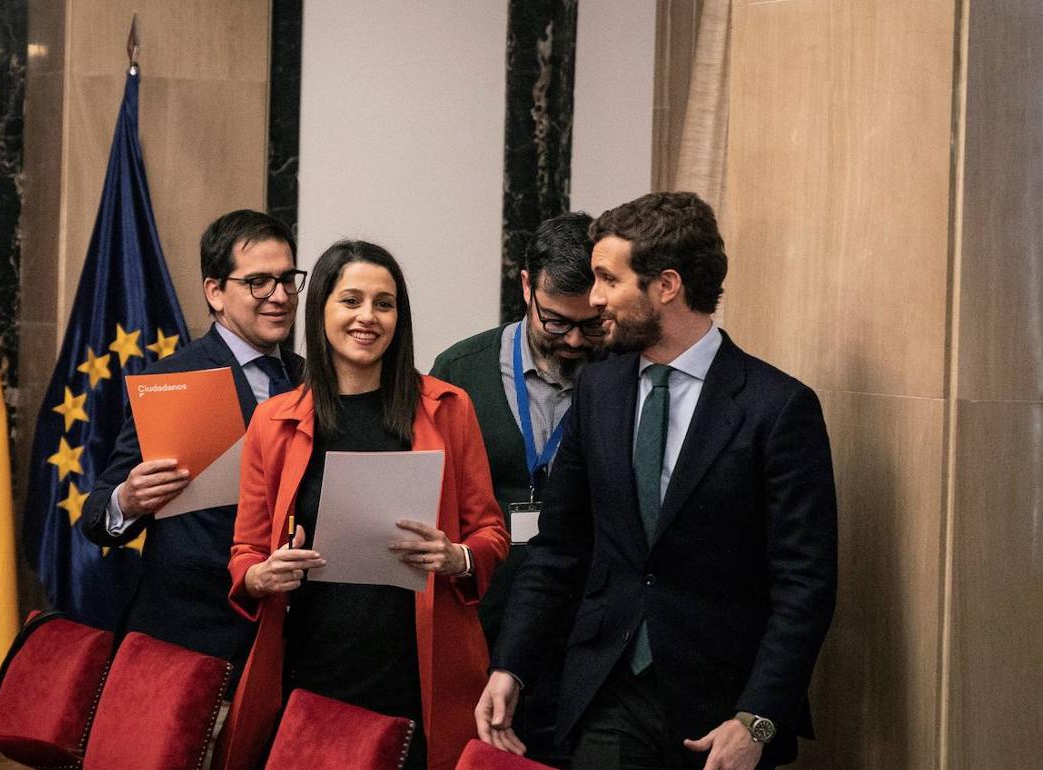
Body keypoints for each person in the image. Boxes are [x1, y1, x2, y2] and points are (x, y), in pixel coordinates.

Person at [477, 192, 838, 770]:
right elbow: (559, 547)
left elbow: (805, 585)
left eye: (607, 279)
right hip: (608, 693)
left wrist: (759, 720)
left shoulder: (778, 408)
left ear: (666, 286)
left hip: (722, 715)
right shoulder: (599, 389)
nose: (594, 300)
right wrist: (511, 663)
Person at [213, 240, 510, 770]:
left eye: (384, 303)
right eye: (350, 300)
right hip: (310, 665)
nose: (367, 317)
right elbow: (244, 551)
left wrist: (457, 556)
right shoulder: (276, 420)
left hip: (418, 669)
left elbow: (490, 531)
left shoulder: (447, 407)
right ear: (321, 308)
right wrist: (261, 575)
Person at [81, 210, 306, 681]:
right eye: (259, 282)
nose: (280, 297)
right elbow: (98, 516)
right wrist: (130, 499)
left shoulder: (314, 380)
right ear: (215, 292)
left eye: (288, 280)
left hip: (296, 643)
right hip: (194, 639)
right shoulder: (173, 380)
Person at [430, 211, 604, 765]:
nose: (574, 340)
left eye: (589, 324)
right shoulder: (460, 370)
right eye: (554, 323)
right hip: (482, 616)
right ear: (525, 284)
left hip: (583, 624)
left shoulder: (621, 375)